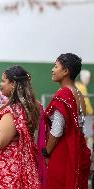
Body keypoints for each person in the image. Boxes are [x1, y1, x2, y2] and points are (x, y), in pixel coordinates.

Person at [0, 66, 41, 188]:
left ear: (13, 84)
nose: (1, 84)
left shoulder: (12, 111)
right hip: (22, 163)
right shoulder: (30, 105)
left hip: (9, 167)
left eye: (4, 81)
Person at [43, 53, 91, 188]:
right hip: (78, 150)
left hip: (63, 153)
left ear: (65, 71)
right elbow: (81, 124)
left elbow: (57, 130)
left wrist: (47, 152)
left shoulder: (63, 94)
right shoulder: (79, 94)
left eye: (55, 66)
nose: (52, 70)